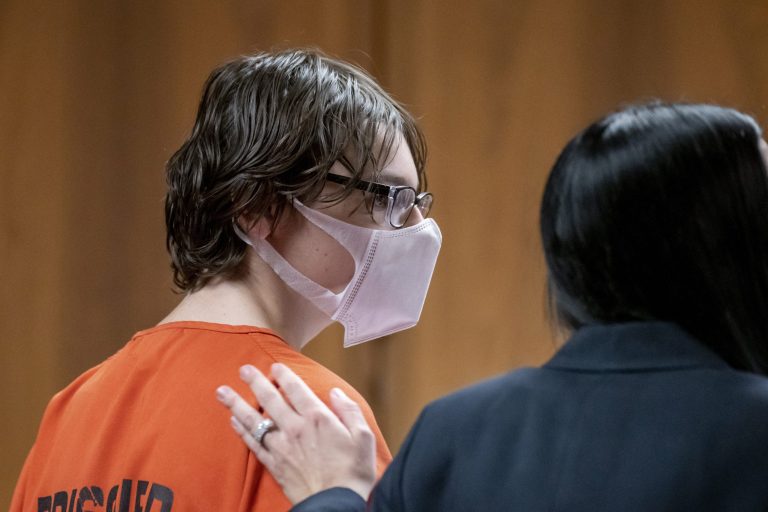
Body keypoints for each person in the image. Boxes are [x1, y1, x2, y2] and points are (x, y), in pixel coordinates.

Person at [219, 102, 768, 511]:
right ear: (732, 245)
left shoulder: (452, 431)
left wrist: (335, 497)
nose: (412, 227)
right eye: (387, 198)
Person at [11, 49, 441, 511]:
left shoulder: (72, 409)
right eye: (390, 197)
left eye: (418, 202)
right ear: (257, 205)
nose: (416, 227)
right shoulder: (311, 420)